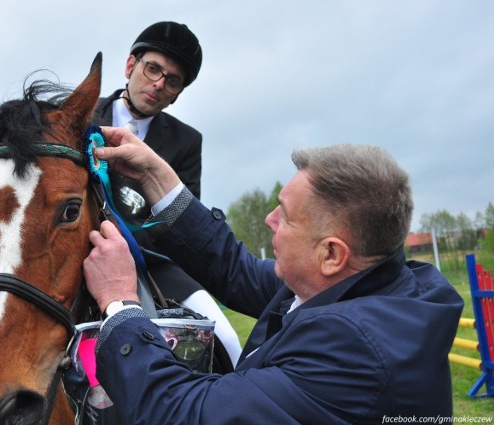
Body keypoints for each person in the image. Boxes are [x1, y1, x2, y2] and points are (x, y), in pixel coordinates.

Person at [83, 128, 464, 424]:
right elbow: (235, 270)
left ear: (330, 254)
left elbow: (184, 414)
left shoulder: (353, 354)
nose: (269, 220)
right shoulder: (359, 283)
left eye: (285, 215)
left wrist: (120, 300)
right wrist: (156, 175)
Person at [90, 21, 241, 367]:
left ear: (177, 93)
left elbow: (184, 219)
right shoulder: (79, 114)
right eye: (152, 69)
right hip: (79, 246)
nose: (158, 84)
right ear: (131, 66)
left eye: (172, 81)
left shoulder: (187, 142)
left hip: (153, 260)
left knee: (228, 338)